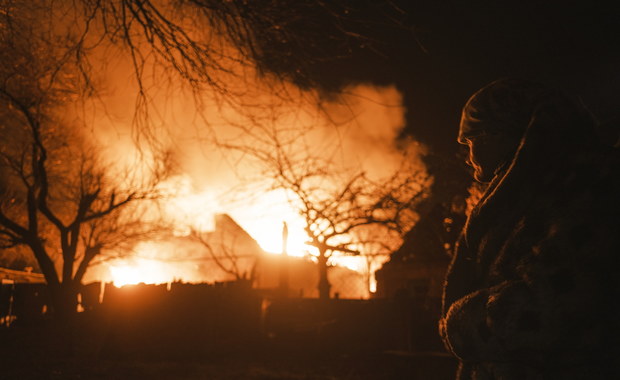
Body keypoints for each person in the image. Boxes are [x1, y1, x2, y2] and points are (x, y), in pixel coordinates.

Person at [439, 78, 620, 379]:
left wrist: (463, 323)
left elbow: (556, 301)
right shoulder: (531, 188)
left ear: (506, 134)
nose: (469, 158)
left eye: (472, 139)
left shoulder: (587, 187)